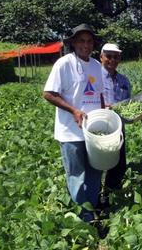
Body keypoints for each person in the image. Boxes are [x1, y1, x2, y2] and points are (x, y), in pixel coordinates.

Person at [43, 23, 105, 223]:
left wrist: (106, 117)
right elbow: (49, 94)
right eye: (81, 41)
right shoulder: (64, 63)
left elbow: (100, 96)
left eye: (89, 41)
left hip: (93, 132)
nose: (86, 45)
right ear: (73, 43)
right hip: (70, 132)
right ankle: (86, 219)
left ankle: (92, 209)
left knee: (95, 173)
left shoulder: (96, 65)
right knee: (77, 176)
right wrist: (73, 110)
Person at [98, 43, 131, 211]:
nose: (112, 60)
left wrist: (141, 114)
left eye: (116, 56)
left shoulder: (124, 80)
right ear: (101, 57)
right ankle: (95, 201)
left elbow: (129, 106)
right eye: (108, 56)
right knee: (97, 164)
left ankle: (109, 197)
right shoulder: (94, 77)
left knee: (118, 165)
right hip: (98, 127)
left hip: (119, 128)